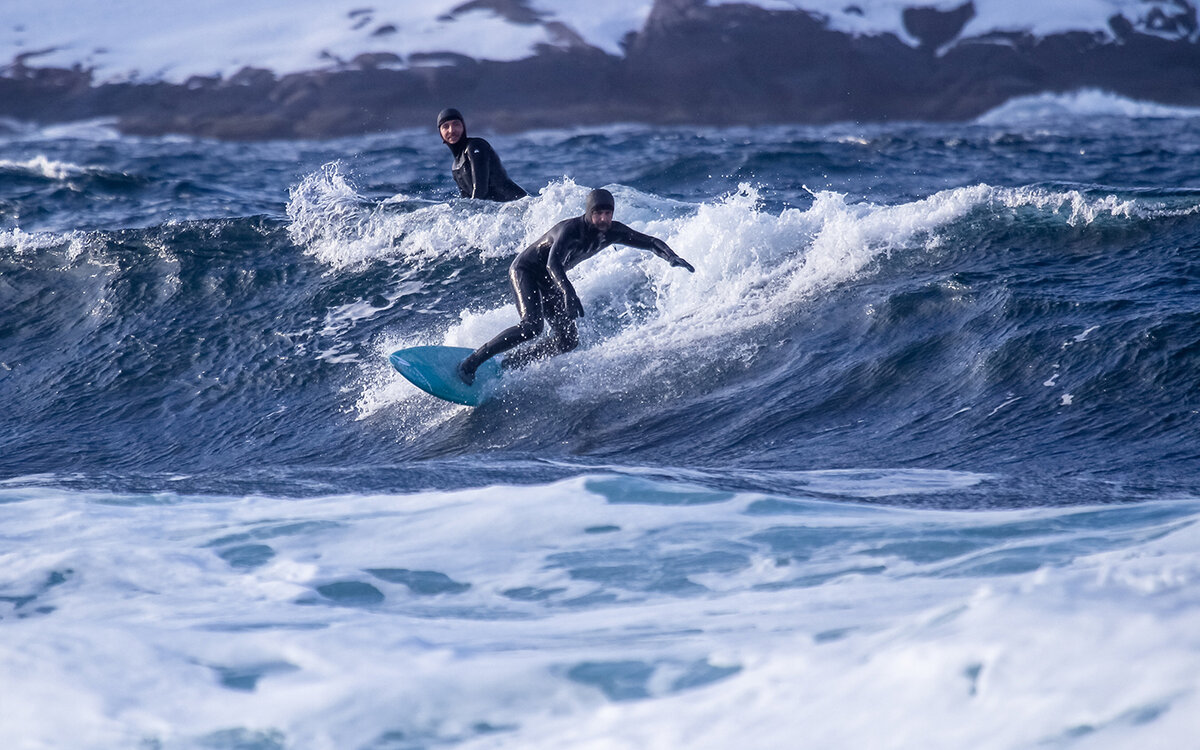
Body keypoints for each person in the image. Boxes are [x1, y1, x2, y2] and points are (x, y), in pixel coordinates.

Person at [458, 188, 695, 383]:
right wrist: (569, 293)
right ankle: (472, 363)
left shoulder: (613, 231)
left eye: (607, 213)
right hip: (526, 270)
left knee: (568, 340)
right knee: (532, 326)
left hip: (551, 279)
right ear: (588, 212)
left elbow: (650, 241)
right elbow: (553, 263)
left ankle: (512, 363)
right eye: (598, 213)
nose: (603, 219)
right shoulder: (571, 230)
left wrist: (670, 256)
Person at [436, 108, 527, 202]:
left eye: (456, 124)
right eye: (445, 126)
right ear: (440, 132)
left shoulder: (476, 146)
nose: (451, 130)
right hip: (501, 212)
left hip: (521, 206)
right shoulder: (455, 166)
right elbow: (468, 202)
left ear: (463, 126)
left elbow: (481, 190)